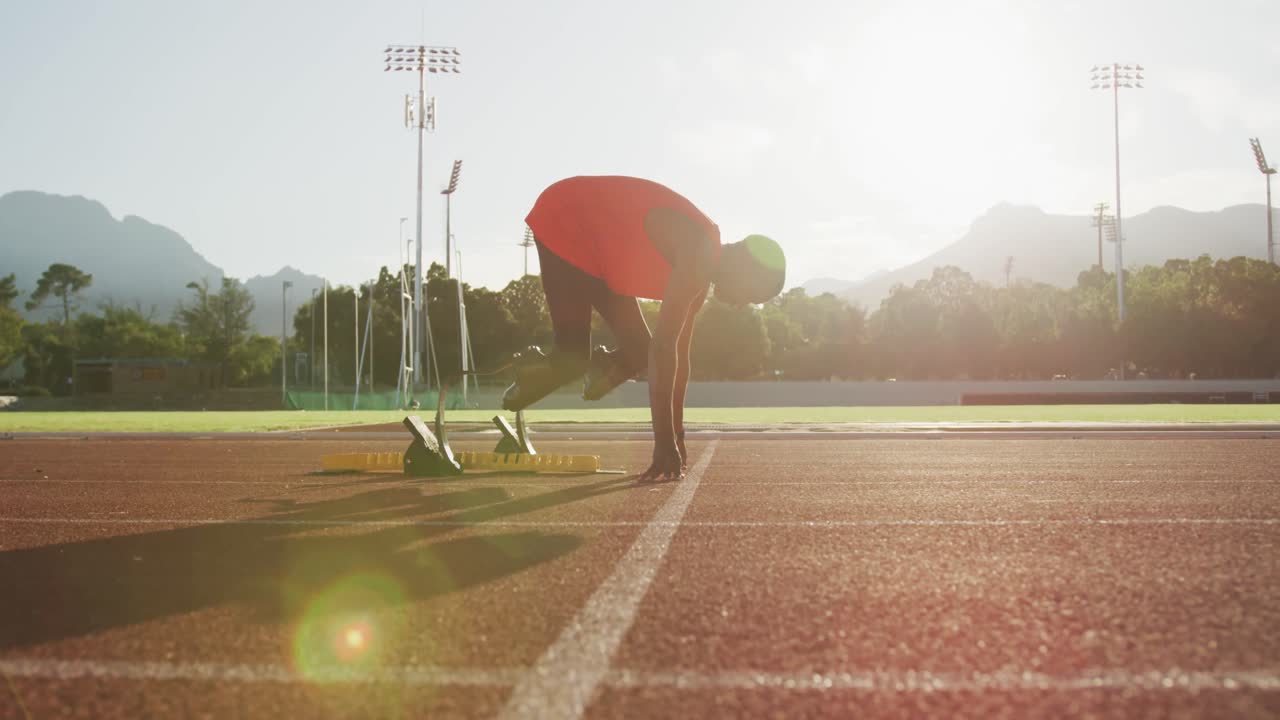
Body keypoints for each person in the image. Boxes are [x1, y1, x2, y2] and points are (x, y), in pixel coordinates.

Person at [503, 175, 785, 481]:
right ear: (744, 269)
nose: (742, 305)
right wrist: (662, 441)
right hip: (567, 218)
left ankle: (595, 365)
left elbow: (679, 357)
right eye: (751, 296)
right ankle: (530, 369)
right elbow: (662, 348)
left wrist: (677, 434)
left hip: (601, 252)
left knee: (639, 353)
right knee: (572, 359)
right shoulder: (697, 255)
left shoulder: (701, 274)